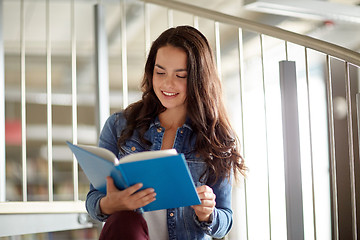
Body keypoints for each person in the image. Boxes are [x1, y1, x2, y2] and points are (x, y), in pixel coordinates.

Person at [86, 25, 246, 240]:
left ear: (199, 79)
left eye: (180, 75)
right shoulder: (118, 125)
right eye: (160, 72)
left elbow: (224, 221)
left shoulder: (217, 138)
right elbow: (93, 200)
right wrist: (109, 203)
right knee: (123, 221)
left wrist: (208, 213)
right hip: (130, 234)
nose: (167, 84)